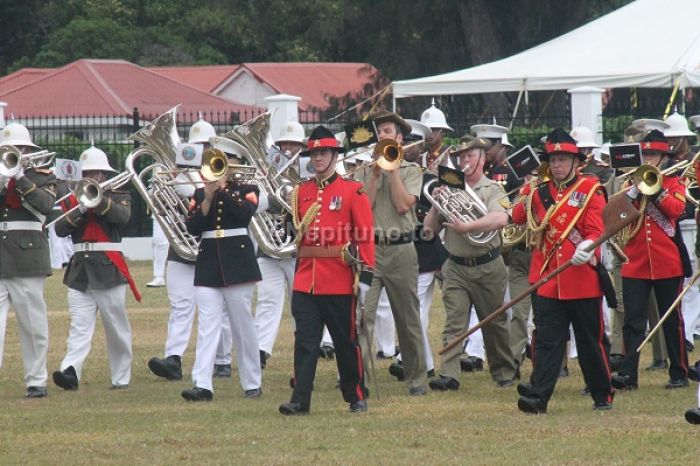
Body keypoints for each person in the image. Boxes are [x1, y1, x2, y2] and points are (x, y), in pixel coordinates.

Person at [512, 128, 614, 413]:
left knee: (590, 342)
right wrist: (526, 189)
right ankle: (538, 398)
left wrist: (590, 247)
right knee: (546, 341)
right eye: (553, 159)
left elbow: (597, 230)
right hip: (548, 279)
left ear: (575, 162)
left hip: (581, 280)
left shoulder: (590, 190)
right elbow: (517, 217)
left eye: (562, 159)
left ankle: (603, 394)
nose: (557, 164)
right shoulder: (540, 191)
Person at [279, 125, 375, 415]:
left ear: (335, 155)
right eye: (315, 153)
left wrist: (367, 275)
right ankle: (300, 400)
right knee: (305, 343)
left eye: (324, 152)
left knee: (345, 343)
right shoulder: (302, 191)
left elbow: (365, 234)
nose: (318, 158)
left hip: (339, 279)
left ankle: (355, 394)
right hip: (306, 279)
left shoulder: (351, 189)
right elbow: (295, 233)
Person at [424, 138, 517, 391]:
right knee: (454, 322)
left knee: (494, 323)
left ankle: (504, 371)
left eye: (470, 157)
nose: (464, 162)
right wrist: (435, 204)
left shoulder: (493, 188)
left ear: (483, 159)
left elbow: (500, 219)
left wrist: (468, 227)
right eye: (461, 157)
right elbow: (428, 231)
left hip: (488, 265)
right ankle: (449, 375)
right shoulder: (451, 187)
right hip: (455, 266)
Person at [147, 120, 232, 382]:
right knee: (181, 306)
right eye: (196, 146)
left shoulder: (223, 173)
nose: (202, 151)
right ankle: (173, 358)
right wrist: (167, 182)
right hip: (182, 249)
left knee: (220, 309)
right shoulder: (176, 174)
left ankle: (223, 358)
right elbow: (159, 206)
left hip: (212, 247)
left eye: (206, 146)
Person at [180, 143, 263, 402]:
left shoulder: (248, 189)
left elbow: (243, 215)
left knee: (242, 325)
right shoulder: (200, 192)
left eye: (227, 159)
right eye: (219, 159)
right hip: (208, 263)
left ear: (236, 162)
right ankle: (202, 384)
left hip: (238, 260)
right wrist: (206, 197)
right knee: (207, 326)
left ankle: (252, 381)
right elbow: (192, 226)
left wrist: (224, 190)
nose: (221, 164)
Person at [355, 110, 429, 396]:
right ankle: (358, 378)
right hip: (370, 249)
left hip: (401, 249)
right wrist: (375, 174)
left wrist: (393, 168)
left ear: (399, 138)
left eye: (388, 132)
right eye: (380, 132)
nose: (382, 136)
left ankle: (416, 379)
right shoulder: (364, 170)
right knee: (363, 316)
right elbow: (363, 208)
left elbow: (402, 206)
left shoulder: (412, 171)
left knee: (407, 317)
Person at [52, 146, 137, 391]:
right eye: (86, 172)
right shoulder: (71, 199)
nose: (91, 177)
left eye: (96, 173)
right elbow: (60, 229)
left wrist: (98, 201)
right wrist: (80, 207)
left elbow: (122, 218)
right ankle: (70, 371)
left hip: (108, 267)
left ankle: (121, 376)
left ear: (104, 175)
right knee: (79, 326)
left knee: (116, 327)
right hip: (80, 270)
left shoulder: (119, 194)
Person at [611, 129, 690, 391]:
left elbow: (677, 210)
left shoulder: (674, 182)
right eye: (645, 153)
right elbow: (614, 218)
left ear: (663, 157)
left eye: (654, 154)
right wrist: (632, 193)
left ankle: (679, 372)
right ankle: (628, 375)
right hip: (635, 262)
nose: (649, 158)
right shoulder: (628, 185)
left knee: (671, 320)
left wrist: (653, 189)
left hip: (667, 261)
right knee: (633, 321)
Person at [0, 122, 55, 398]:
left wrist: (19, 178)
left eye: (19, 148)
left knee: (32, 323)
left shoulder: (43, 175)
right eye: (8, 149)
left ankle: (36, 380)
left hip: (27, 253)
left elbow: (47, 207)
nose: (13, 153)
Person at [255, 121, 304, 369]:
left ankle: (307, 346)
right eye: (285, 144)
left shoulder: (309, 172)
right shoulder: (266, 171)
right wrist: (278, 197)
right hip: (270, 247)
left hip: (299, 247)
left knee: (303, 302)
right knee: (267, 300)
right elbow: (257, 203)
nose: (289, 149)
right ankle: (260, 351)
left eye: (294, 144)